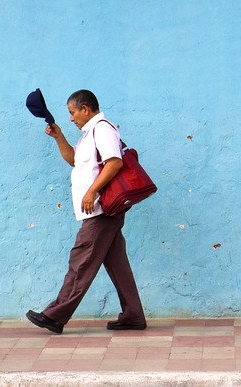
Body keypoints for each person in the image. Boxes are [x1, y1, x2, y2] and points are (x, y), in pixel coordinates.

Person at [25, 89, 147, 333]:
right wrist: (59, 137)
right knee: (117, 264)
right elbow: (73, 160)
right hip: (100, 210)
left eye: (72, 112)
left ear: (85, 109)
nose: (70, 118)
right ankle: (133, 315)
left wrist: (92, 192)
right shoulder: (88, 134)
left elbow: (115, 162)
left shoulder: (102, 129)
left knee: (80, 260)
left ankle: (55, 315)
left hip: (101, 210)